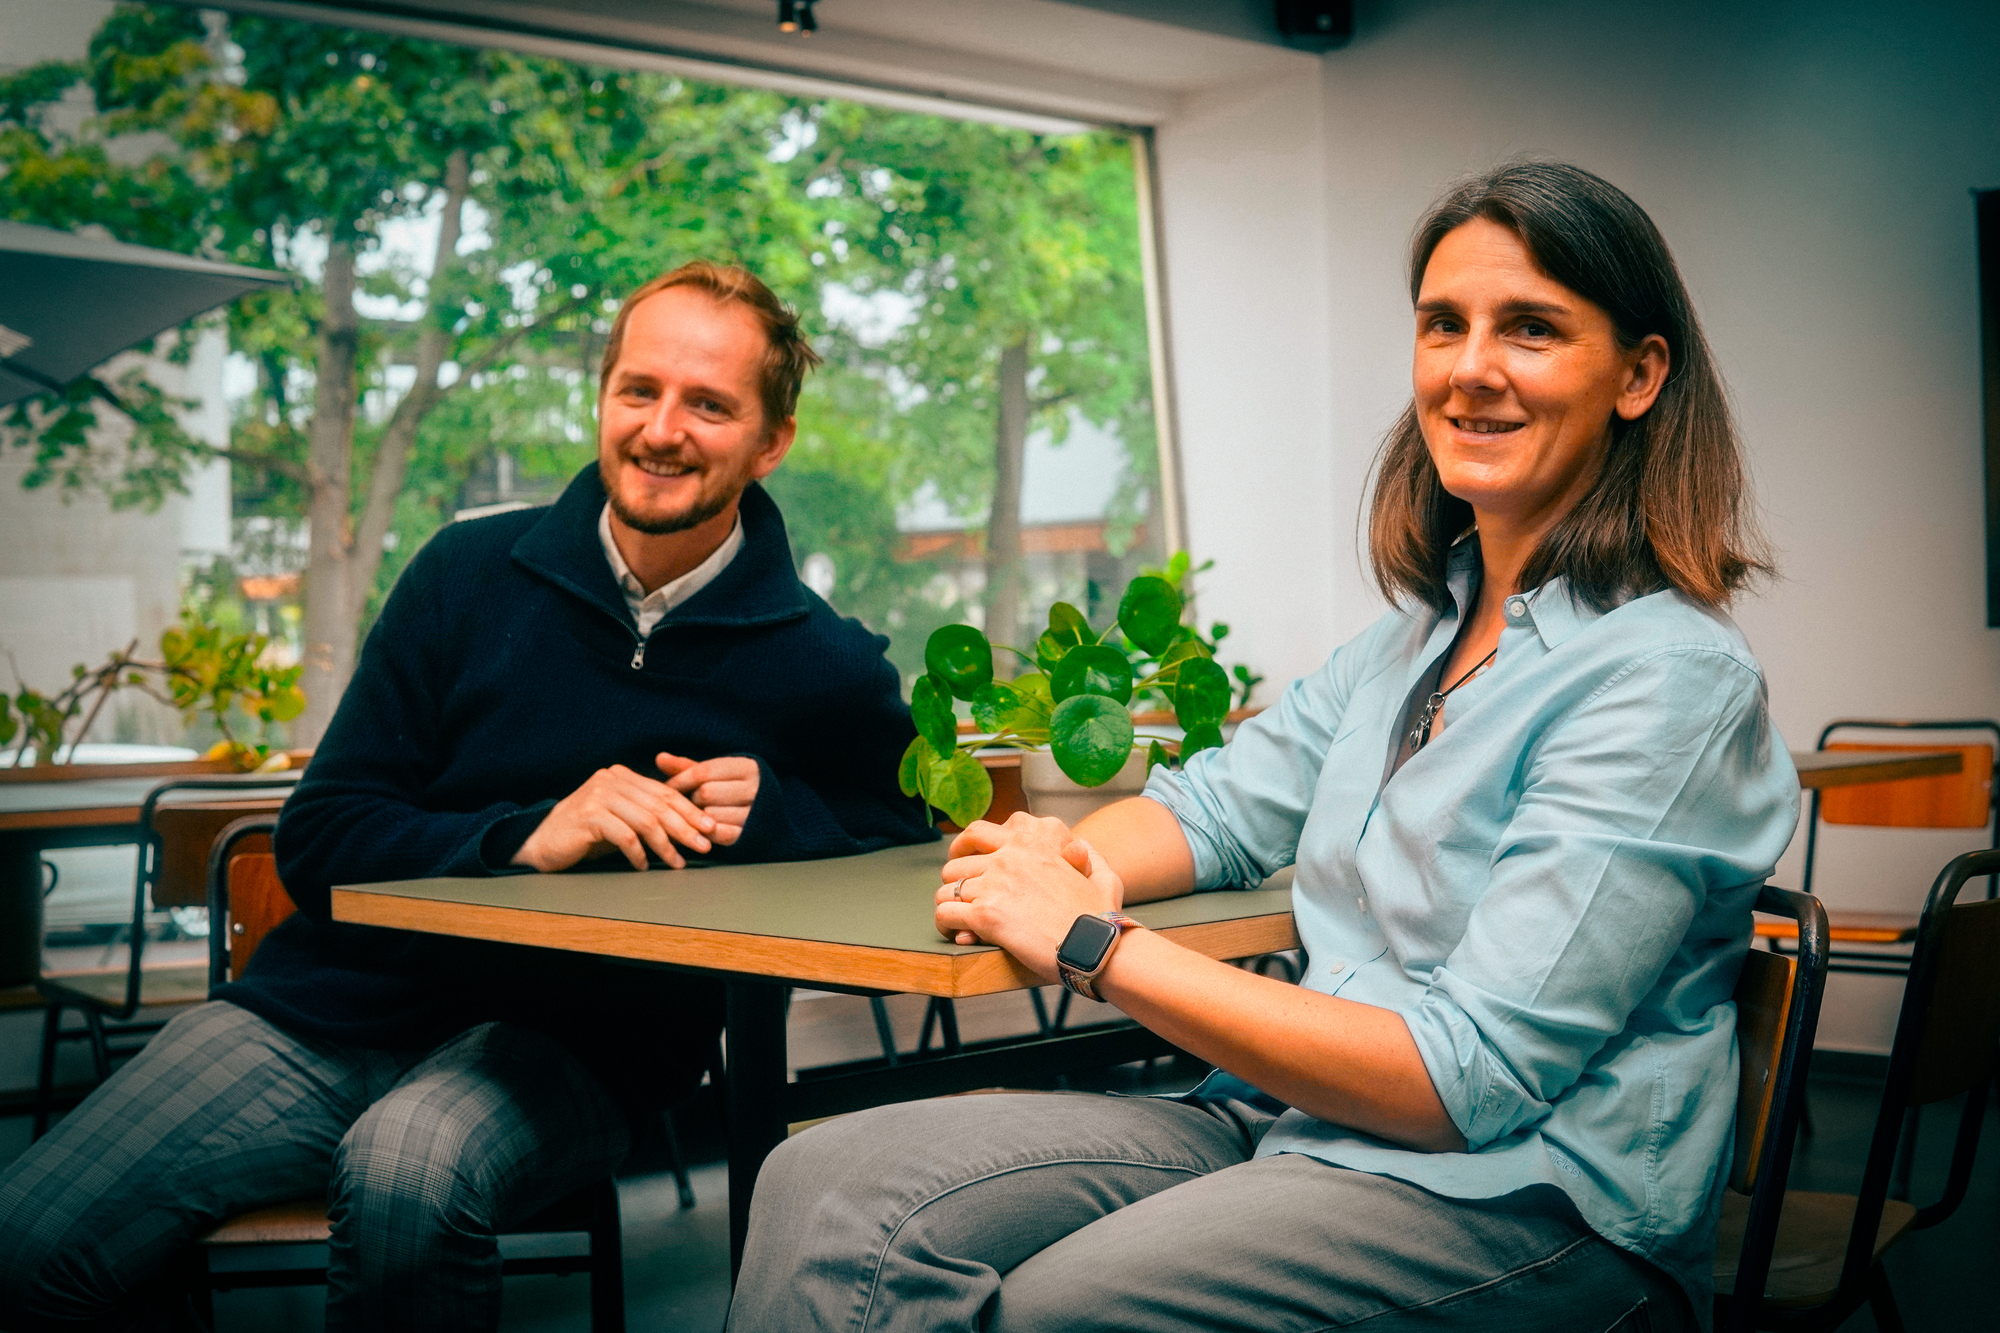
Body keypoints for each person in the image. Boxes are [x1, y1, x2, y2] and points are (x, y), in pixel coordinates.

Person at [727, 163, 1799, 1333]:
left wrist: (1088, 937)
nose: (1469, 367)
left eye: (1530, 328)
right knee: (820, 1184)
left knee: (1056, 1310)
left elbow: (1467, 1080)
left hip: (1530, 1206)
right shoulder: (1410, 642)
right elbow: (1216, 809)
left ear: (1638, 375)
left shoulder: (1665, 678)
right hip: (1291, 1120)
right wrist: (1064, 857)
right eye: (1442, 324)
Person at [0, 261, 935, 1332]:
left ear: (771, 441)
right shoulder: (462, 574)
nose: (661, 429)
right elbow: (319, 837)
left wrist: (777, 810)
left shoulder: (823, 659)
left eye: (709, 403)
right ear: (602, 396)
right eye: (638, 389)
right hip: (325, 1013)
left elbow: (899, 830)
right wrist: (523, 836)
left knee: (404, 1171)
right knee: (26, 1242)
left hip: (578, 1050)